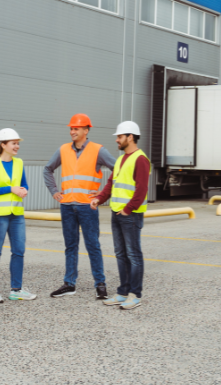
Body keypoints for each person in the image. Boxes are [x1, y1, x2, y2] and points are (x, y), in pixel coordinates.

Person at [43, 114, 116, 300]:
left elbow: (118, 169)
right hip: (67, 205)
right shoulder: (63, 150)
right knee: (70, 246)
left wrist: (102, 196)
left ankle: (100, 284)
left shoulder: (98, 150)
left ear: (86, 130)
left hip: (87, 206)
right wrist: (54, 191)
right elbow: (48, 169)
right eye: (71, 128)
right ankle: (69, 284)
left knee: (93, 245)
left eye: (76, 128)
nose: (72, 131)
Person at [90, 121, 150, 311]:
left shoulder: (140, 159)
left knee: (133, 255)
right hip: (117, 214)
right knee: (121, 254)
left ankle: (135, 295)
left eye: (119, 137)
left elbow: (141, 190)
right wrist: (99, 199)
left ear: (130, 137)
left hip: (130, 215)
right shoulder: (122, 159)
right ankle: (123, 292)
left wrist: (128, 209)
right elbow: (111, 184)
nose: (117, 140)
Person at [0, 128, 36, 303]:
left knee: (19, 251)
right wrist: (11, 189)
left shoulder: (19, 163)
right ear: (3, 145)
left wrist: (23, 190)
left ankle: (16, 290)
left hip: (16, 214)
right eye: (14, 143)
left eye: (18, 143)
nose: (17, 146)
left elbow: (24, 184)